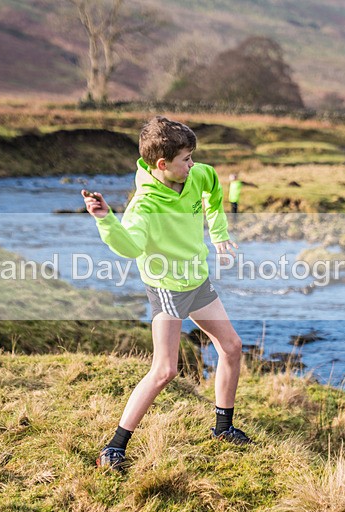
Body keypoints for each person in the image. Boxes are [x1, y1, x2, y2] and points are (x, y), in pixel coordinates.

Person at [81, 116, 250, 472]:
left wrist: (218, 234)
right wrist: (105, 219)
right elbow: (129, 247)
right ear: (163, 164)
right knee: (165, 370)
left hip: (197, 280)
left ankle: (223, 427)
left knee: (232, 347)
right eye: (186, 159)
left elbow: (213, 192)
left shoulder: (197, 175)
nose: (193, 164)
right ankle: (113, 448)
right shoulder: (144, 205)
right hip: (168, 287)